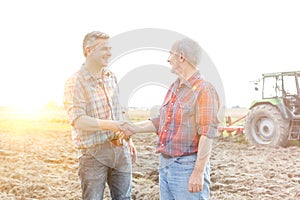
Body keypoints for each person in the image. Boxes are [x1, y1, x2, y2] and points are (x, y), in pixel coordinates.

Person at [127, 37, 220, 200]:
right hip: (166, 166)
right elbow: (161, 121)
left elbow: (207, 133)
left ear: (181, 57)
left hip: (187, 168)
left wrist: (198, 172)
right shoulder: (175, 87)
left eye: (170, 54)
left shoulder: (204, 90)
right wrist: (132, 128)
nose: (168, 59)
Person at [63, 31, 137, 200]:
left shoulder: (111, 77)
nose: (110, 53)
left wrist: (128, 139)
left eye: (110, 48)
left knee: (124, 198)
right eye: (104, 48)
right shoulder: (75, 81)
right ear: (89, 51)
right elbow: (78, 120)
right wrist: (113, 125)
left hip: (120, 150)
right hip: (93, 154)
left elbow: (120, 111)